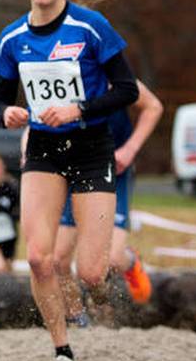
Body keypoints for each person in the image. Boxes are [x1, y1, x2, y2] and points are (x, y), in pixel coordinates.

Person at [0, 0, 137, 361]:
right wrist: (6, 114)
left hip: (91, 147)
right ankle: (61, 347)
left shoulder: (91, 27)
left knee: (91, 273)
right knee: (40, 259)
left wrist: (80, 108)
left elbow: (127, 90)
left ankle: (123, 270)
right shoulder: (12, 38)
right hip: (44, 152)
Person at [53, 80, 162, 313]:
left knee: (112, 259)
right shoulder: (58, 72)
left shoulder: (109, 71)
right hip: (75, 170)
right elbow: (37, 119)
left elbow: (153, 106)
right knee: (59, 258)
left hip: (113, 168)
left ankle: (131, 261)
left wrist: (130, 149)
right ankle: (77, 316)